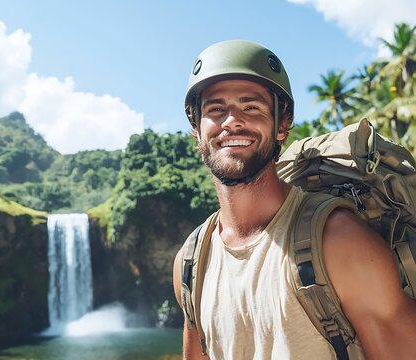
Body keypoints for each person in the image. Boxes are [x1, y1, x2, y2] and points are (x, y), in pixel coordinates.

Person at [172, 40, 416, 360]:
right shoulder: (190, 263)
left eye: (252, 107)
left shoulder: (339, 242)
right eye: (215, 109)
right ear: (196, 128)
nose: (231, 121)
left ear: (282, 126)